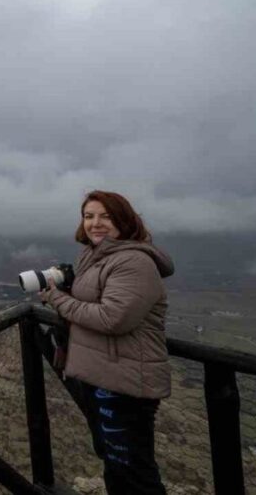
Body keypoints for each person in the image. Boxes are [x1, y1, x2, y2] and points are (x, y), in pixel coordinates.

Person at [39, 190, 174, 494]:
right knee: (115, 465)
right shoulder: (94, 255)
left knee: (134, 473)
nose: (95, 223)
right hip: (101, 375)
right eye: (89, 216)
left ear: (124, 221)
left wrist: (57, 298)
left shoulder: (134, 262)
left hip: (124, 383)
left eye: (105, 216)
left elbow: (113, 319)